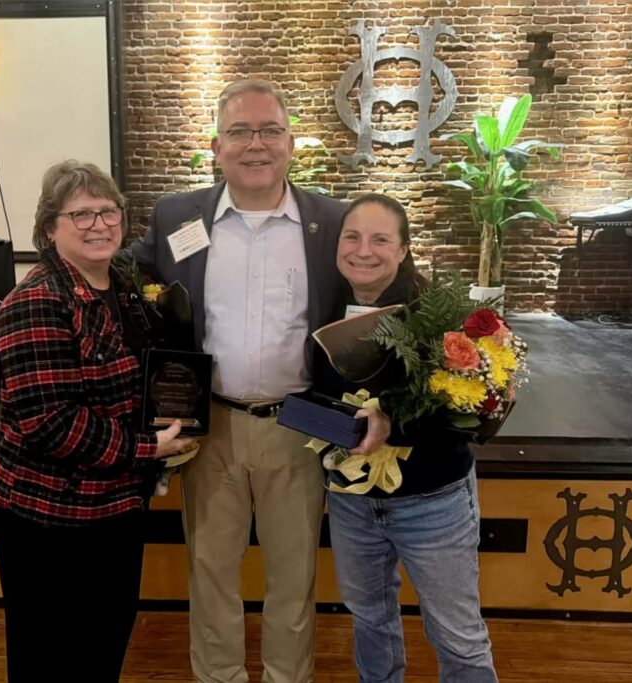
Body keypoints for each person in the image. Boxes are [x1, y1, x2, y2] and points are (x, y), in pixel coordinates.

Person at [130, 79, 347, 683]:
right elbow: (124, 274)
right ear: (216, 146)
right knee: (210, 573)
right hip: (208, 428)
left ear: (291, 143)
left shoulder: (329, 222)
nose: (256, 144)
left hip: (298, 426)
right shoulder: (178, 216)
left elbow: (383, 283)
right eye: (240, 131)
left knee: (294, 577)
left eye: (270, 130)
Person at [0, 160, 196, 682]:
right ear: (49, 228)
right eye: (81, 214)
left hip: (115, 509)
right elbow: (52, 425)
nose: (99, 224)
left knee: (101, 648)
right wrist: (150, 447)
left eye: (109, 211)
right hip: (50, 520)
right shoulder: (36, 301)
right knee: (51, 657)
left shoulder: (123, 288)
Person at [315, 193, 498, 682]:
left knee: (457, 635)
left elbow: (470, 415)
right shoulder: (322, 307)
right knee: (371, 622)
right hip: (353, 502)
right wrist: (341, 428)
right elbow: (311, 401)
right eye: (351, 237)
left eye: (380, 239)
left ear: (403, 249)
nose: (363, 250)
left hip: (431, 501)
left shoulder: (439, 317)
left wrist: (395, 417)